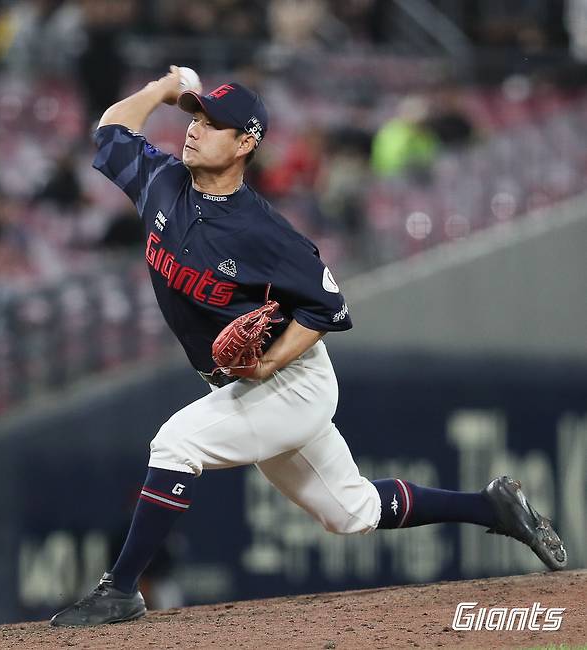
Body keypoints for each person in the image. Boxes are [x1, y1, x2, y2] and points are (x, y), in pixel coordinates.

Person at [50, 67, 567, 626]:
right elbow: (109, 131)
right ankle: (491, 506)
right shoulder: (160, 181)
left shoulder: (263, 231)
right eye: (195, 118)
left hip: (292, 383)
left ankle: (121, 589)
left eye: (213, 124)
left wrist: (271, 359)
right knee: (352, 512)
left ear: (246, 142)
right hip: (251, 389)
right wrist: (160, 91)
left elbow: (329, 307)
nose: (195, 130)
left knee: (175, 445)